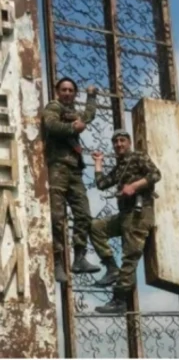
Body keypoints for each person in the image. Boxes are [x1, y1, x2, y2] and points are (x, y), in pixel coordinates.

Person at [90, 129, 162, 313]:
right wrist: (98, 163)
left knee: (130, 257)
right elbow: (102, 184)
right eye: (115, 142)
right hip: (124, 214)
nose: (119, 144)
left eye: (122, 140)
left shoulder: (138, 157)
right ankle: (111, 268)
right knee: (96, 227)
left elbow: (155, 174)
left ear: (128, 142)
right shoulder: (120, 166)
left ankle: (119, 299)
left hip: (139, 213)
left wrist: (134, 186)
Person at [43, 77, 100, 283]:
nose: (67, 93)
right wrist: (72, 129)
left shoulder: (73, 112)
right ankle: (58, 261)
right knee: (57, 217)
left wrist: (92, 96)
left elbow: (88, 116)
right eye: (64, 90)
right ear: (58, 91)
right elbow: (51, 126)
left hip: (74, 169)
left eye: (71, 90)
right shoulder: (53, 106)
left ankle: (79, 257)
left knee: (83, 214)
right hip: (58, 167)